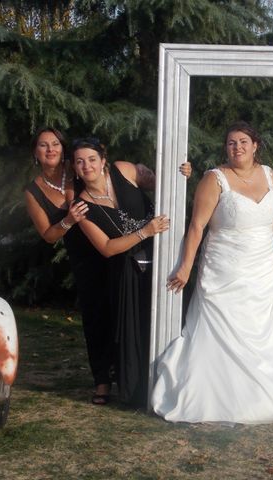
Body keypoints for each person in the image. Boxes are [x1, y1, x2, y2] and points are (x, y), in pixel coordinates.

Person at [152, 121, 273, 424]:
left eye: (242, 142)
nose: (237, 148)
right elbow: (197, 226)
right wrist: (185, 265)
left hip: (264, 267)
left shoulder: (268, 174)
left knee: (270, 329)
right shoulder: (215, 179)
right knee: (227, 329)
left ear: (255, 146)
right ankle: (227, 394)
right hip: (225, 267)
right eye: (231, 143)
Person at [73, 137, 189, 407]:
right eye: (80, 162)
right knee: (137, 327)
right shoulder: (82, 206)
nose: (86, 165)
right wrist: (145, 232)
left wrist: (182, 174)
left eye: (91, 159)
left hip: (166, 254)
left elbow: (162, 183)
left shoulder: (124, 170)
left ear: (103, 160)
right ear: (75, 169)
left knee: (176, 315)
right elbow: (107, 247)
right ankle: (141, 391)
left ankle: (181, 382)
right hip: (127, 270)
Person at [24, 127, 114, 405]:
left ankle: (130, 373)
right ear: (35, 153)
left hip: (113, 242)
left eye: (55, 144)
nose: (50, 149)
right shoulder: (33, 191)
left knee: (123, 308)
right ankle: (102, 381)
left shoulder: (78, 167)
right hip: (84, 258)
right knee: (95, 317)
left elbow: (113, 178)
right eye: (43, 145)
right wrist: (69, 221)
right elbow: (49, 235)